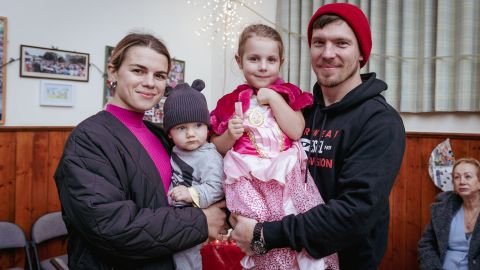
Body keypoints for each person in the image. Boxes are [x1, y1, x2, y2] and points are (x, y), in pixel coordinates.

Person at [230, 3, 406, 270]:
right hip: (279, 260)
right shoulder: (299, 112)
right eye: (318, 43)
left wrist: (266, 234)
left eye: (341, 43)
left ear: (361, 54)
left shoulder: (380, 122)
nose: (327, 53)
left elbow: (354, 212)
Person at [54, 32, 226, 269]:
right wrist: (201, 221)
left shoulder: (162, 135)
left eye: (159, 75)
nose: (150, 82)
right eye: (138, 70)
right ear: (113, 72)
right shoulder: (89, 139)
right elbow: (112, 227)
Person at [210, 24, 338, 269]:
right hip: (248, 179)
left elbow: (296, 130)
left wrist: (275, 98)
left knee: (295, 223)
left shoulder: (288, 94)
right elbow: (218, 147)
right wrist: (229, 135)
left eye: (270, 59)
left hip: (285, 176)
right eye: (254, 59)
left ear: (281, 61)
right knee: (257, 229)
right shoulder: (230, 101)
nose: (262, 66)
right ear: (239, 60)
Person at [163, 79, 225, 270]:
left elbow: (218, 188)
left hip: (197, 221)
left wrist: (191, 193)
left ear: (208, 127)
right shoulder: (175, 151)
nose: (191, 134)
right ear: (169, 133)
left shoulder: (209, 156)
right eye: (182, 128)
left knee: (187, 257)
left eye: (198, 125)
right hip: (176, 219)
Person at [418, 157, 480, 270]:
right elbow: (426, 244)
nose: (461, 181)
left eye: (468, 176)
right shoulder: (443, 208)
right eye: (456, 177)